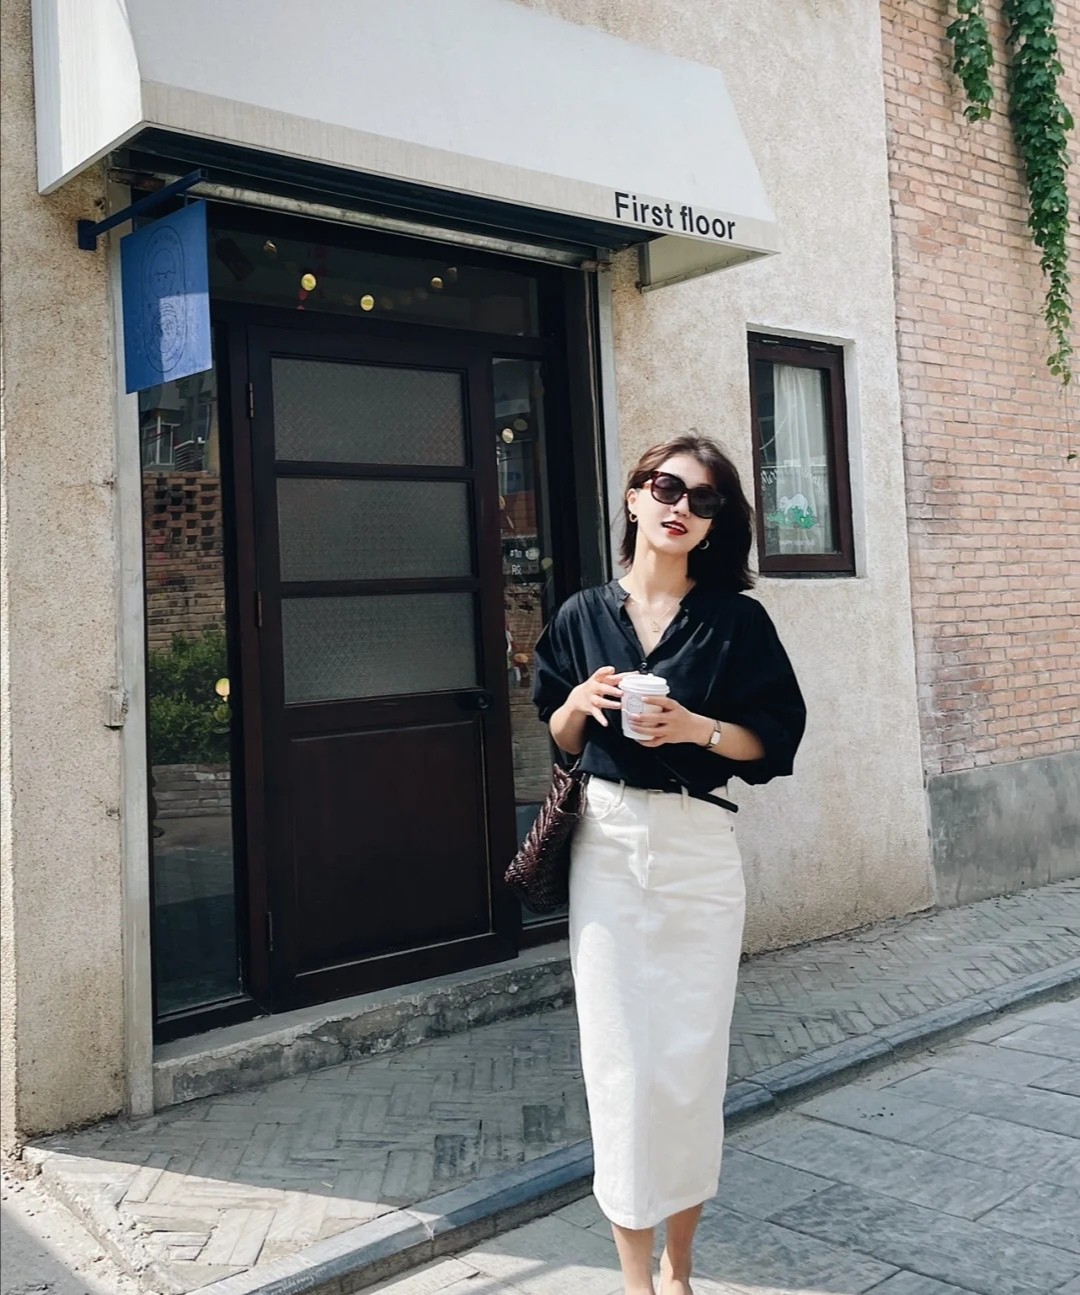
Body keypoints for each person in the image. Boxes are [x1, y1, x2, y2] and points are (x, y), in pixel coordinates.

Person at [531, 435, 806, 1295]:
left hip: (696, 847)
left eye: (704, 499)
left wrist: (697, 729)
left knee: (688, 1062)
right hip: (608, 845)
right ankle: (635, 1281)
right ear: (634, 498)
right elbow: (557, 731)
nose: (681, 506)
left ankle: (680, 1269)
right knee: (619, 1065)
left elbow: (774, 740)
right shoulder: (582, 614)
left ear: (716, 523)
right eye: (666, 487)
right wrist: (578, 703)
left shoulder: (736, 623)